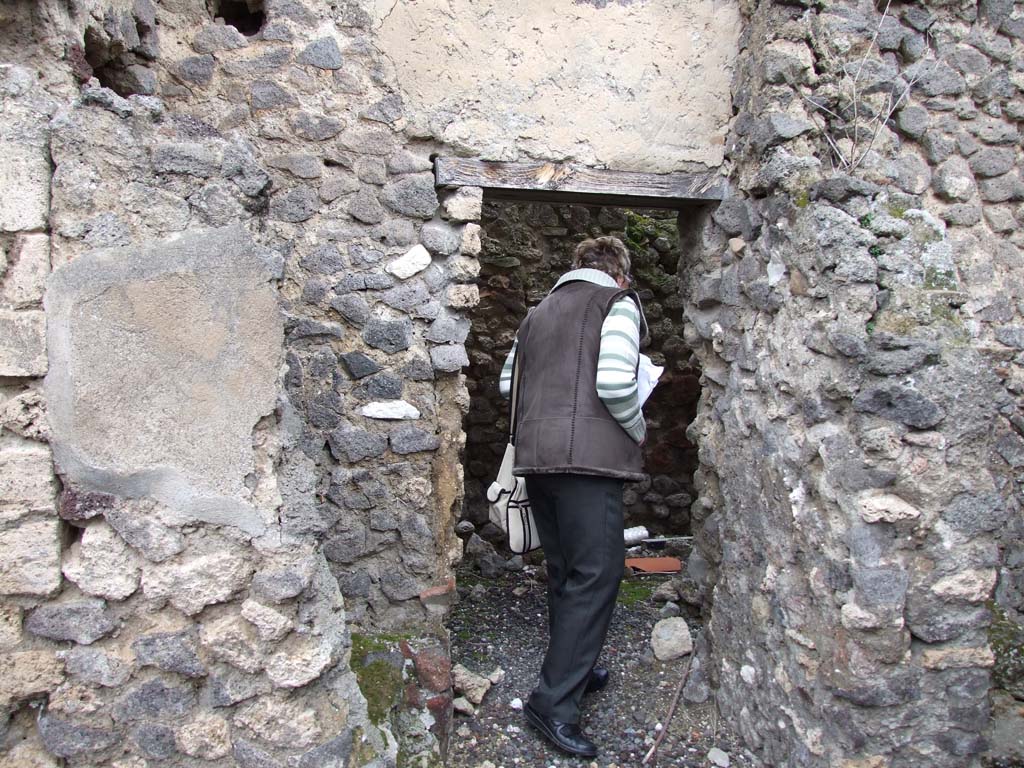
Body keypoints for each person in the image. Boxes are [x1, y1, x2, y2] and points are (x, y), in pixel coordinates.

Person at [498, 235, 647, 757]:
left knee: (565, 568)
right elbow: (612, 381)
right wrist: (637, 427)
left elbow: (505, 386)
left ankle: (575, 668)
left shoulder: (535, 316)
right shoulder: (618, 304)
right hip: (590, 461)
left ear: (575, 267)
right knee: (598, 572)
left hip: (536, 457)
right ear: (620, 275)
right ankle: (552, 703)